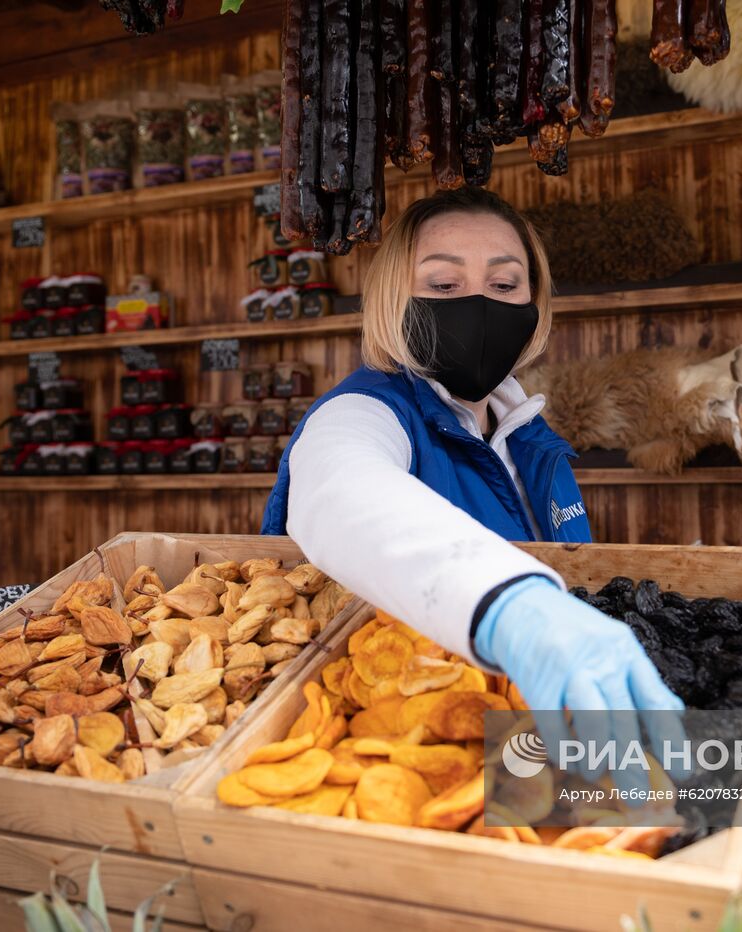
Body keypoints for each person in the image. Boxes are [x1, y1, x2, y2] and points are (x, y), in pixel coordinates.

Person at [261, 187, 682, 767]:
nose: (480, 305)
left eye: (505, 285)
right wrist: (511, 609)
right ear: (392, 299)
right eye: (443, 286)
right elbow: (342, 490)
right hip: (407, 745)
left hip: (525, 743)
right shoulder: (360, 412)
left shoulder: (530, 435)